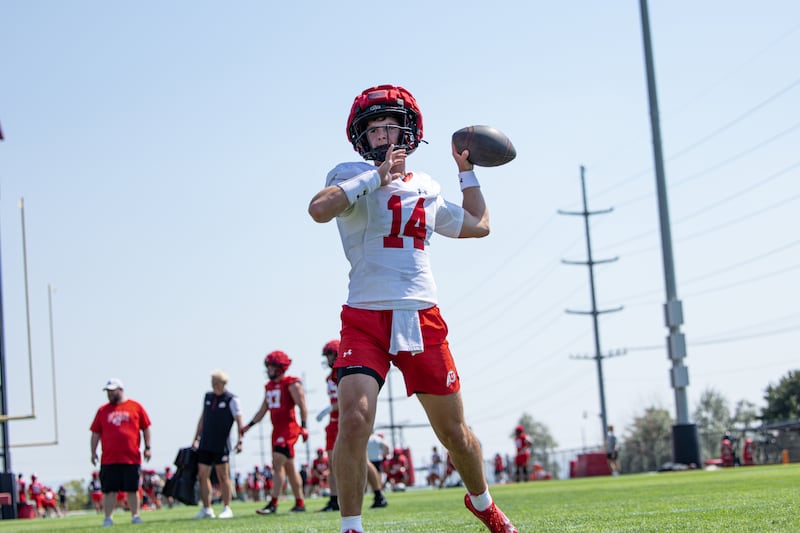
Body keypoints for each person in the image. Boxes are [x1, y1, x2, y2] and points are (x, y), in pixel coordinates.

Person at [307, 84, 517, 533]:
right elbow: (319, 209)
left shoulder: (426, 186)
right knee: (355, 418)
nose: (382, 135)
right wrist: (376, 177)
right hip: (364, 316)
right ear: (362, 138)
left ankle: (483, 504)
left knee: (455, 435)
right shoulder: (349, 173)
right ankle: (351, 526)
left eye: (390, 125)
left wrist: (467, 171)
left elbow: (479, 226)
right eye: (373, 128)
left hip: (421, 315)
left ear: (409, 130)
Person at [317, 340, 388, 513]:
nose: (328, 359)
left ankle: (379, 494)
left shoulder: (347, 370)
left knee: (360, 458)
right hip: (334, 422)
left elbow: (348, 400)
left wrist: (331, 408)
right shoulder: (330, 377)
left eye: (331, 354)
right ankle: (334, 499)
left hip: (348, 421)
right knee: (334, 461)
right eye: (327, 355)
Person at [242, 350, 309, 515]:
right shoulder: (269, 387)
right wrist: (248, 426)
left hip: (288, 428)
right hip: (276, 429)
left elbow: (302, 405)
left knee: (277, 462)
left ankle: (273, 503)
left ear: (279, 368)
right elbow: (263, 410)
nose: (268, 370)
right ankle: (300, 502)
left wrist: (304, 426)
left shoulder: (291, 384)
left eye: (271, 367)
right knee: (290, 467)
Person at [90, 378, 152, 527]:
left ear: (121, 390)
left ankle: (135, 515)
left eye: (112, 391)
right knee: (109, 490)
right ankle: (108, 518)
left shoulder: (135, 407)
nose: (110, 394)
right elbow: (95, 433)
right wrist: (93, 452)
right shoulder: (102, 410)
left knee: (132, 489)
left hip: (131, 457)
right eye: (108, 392)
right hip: (109, 458)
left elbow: (146, 427)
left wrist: (148, 447)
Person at [192, 369, 245, 519]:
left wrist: (240, 441)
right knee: (203, 475)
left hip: (221, 444)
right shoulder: (208, 397)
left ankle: (227, 507)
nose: (214, 385)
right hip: (205, 444)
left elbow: (239, 421)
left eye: (216, 382)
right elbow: (203, 418)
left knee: (223, 476)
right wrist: (196, 438)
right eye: (212, 382)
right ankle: (207, 508)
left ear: (223, 383)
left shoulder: (231, 399)